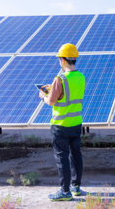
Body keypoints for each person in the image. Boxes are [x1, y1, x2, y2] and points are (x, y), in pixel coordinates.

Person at [39, 43, 85, 201]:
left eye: (60, 58)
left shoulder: (60, 79)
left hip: (61, 126)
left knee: (62, 157)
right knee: (76, 155)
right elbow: (70, 94)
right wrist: (54, 88)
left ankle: (65, 192)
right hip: (76, 123)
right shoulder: (81, 77)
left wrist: (43, 96)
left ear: (64, 60)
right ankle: (76, 187)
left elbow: (51, 101)